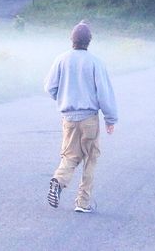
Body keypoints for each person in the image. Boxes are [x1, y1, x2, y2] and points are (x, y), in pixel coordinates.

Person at [44, 20, 118, 213]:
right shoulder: (95, 62)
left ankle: (59, 181)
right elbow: (104, 94)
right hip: (89, 119)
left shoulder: (61, 59)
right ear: (89, 41)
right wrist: (110, 119)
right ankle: (82, 202)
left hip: (68, 117)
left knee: (70, 155)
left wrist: (62, 98)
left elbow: (50, 87)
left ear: (71, 39)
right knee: (90, 158)